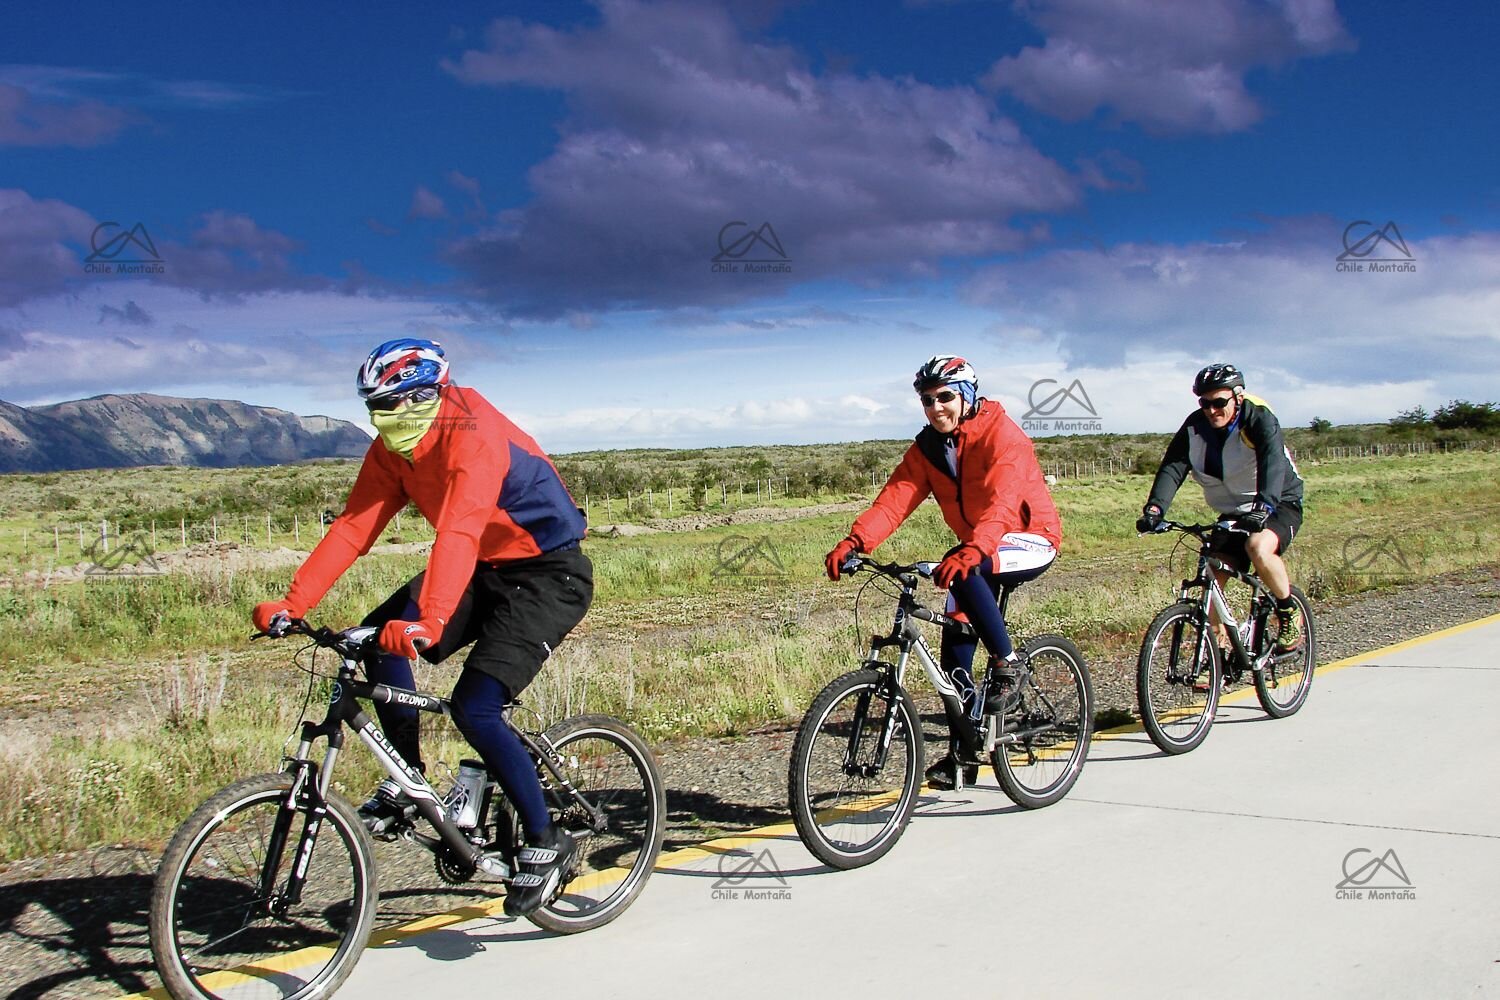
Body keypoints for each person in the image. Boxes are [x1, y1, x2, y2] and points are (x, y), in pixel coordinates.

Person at [252, 338, 593, 917]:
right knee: (371, 639)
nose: (388, 420)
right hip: (483, 568)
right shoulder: (392, 451)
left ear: (433, 396)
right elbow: (354, 528)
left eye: (400, 406)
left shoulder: (473, 434)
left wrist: (430, 620)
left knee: (474, 707)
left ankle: (545, 839)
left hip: (546, 574)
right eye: (377, 409)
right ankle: (407, 780)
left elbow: (457, 531)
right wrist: (293, 601)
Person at [824, 355, 1063, 790]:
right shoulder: (929, 449)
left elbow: (1004, 503)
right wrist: (855, 541)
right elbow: (894, 501)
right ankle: (962, 755)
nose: (936, 408)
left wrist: (976, 547)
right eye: (927, 400)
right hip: (979, 547)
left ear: (967, 396)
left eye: (946, 397)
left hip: (1028, 537)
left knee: (965, 569)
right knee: (954, 648)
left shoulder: (1002, 436)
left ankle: (1009, 664)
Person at [1136, 362, 1305, 654]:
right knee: (1214, 573)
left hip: (1277, 502)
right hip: (1235, 510)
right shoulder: (1194, 428)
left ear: (1238, 397)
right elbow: (1173, 468)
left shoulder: (1258, 418)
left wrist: (1264, 506)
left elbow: (1273, 464)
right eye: (1205, 403)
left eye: (1219, 402)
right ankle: (1213, 651)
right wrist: (1155, 509)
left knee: (1257, 547)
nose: (1211, 410)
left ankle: (1288, 610)